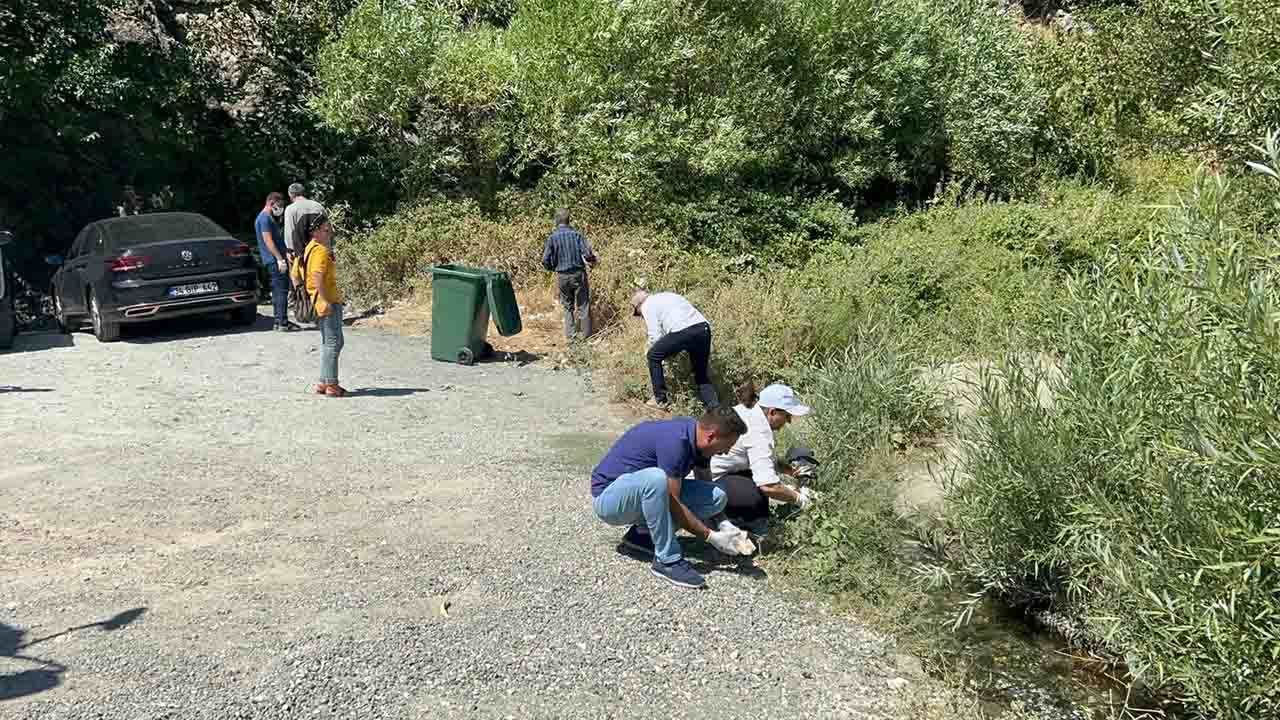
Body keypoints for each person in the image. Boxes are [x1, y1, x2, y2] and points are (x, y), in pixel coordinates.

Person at [591, 407, 751, 588]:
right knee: (656, 479)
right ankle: (667, 560)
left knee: (716, 496)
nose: (726, 452)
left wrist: (723, 523)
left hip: (642, 495)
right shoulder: (676, 442)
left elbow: (704, 481)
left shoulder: (699, 440)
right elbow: (674, 502)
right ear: (711, 436)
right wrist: (711, 537)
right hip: (609, 500)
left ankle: (641, 537)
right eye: (727, 446)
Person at [710, 382, 816, 536]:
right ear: (772, 412)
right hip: (708, 480)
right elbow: (768, 486)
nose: (789, 421)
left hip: (711, 471)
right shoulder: (758, 432)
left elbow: (764, 458)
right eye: (787, 416)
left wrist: (790, 471)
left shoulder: (749, 411)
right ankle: (728, 520)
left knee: (759, 490)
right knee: (754, 497)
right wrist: (801, 500)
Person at [630, 290, 719, 409]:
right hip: (703, 329)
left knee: (653, 356)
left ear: (639, 305)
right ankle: (715, 408)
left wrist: (649, 350)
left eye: (639, 313)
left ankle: (660, 400)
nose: (641, 316)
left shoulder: (647, 305)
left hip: (684, 331)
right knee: (701, 374)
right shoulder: (668, 296)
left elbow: (655, 335)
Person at [303, 215, 346, 397]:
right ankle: (332, 385)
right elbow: (317, 276)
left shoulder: (309, 249)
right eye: (326, 230)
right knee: (333, 343)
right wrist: (325, 299)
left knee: (329, 342)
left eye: (330, 230)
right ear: (315, 232)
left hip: (318, 300)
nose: (329, 234)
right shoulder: (320, 250)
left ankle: (323, 381)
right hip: (326, 302)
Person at [542, 207, 597, 340]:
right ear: (568, 220)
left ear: (556, 221)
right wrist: (593, 261)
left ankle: (571, 337)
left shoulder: (552, 238)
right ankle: (587, 337)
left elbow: (545, 260)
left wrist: (553, 268)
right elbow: (588, 254)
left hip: (562, 276)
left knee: (567, 307)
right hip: (578, 274)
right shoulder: (577, 235)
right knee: (583, 305)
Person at [254, 192, 298, 331]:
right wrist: (280, 259)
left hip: (273, 259)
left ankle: (279, 321)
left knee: (277, 290)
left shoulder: (266, 218)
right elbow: (268, 241)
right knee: (281, 291)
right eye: (279, 206)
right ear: (271, 203)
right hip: (274, 260)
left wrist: (286, 251)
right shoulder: (264, 218)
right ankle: (282, 322)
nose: (280, 209)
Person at [283, 182, 327, 259]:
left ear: (290, 195)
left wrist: (290, 251)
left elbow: (290, 232)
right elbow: (327, 229)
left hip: (302, 254)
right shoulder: (319, 206)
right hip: (320, 251)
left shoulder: (290, 209)